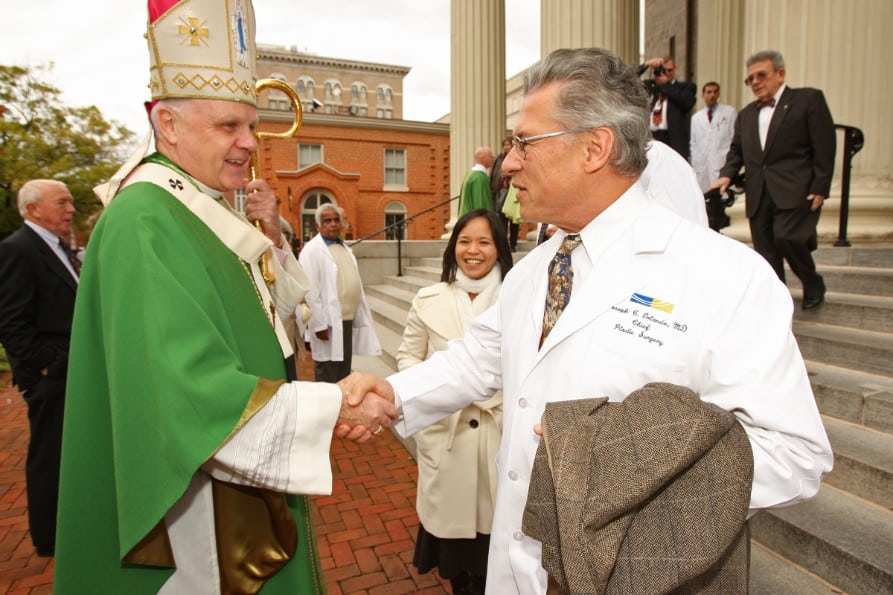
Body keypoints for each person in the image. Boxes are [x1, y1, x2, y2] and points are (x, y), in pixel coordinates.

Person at [341, 47, 833, 594]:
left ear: (595, 148)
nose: (508, 164)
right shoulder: (534, 271)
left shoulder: (727, 276)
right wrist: (393, 394)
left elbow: (795, 454)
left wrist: (613, 457)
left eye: (524, 143)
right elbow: (478, 359)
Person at [53, 0, 396, 592]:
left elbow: (260, 311)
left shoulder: (196, 205)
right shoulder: (144, 219)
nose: (248, 143)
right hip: (196, 514)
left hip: (236, 487)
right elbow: (185, 392)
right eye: (228, 126)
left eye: (251, 126)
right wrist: (332, 406)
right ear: (168, 125)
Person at [397, 209, 513, 595]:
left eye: (484, 242)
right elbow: (408, 356)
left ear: (500, 249)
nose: (473, 250)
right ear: (453, 247)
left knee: (494, 547)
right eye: (464, 241)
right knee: (454, 553)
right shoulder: (428, 299)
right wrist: (431, 394)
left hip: (497, 437)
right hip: (447, 437)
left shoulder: (518, 298)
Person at [713, 50, 836, 310]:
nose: (755, 82)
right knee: (766, 251)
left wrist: (821, 186)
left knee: (787, 238)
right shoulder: (746, 114)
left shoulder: (808, 100)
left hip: (795, 188)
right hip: (759, 191)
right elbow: (737, 152)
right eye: (750, 79)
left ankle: (813, 284)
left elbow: (824, 146)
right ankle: (778, 300)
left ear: (780, 74)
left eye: (761, 75)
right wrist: (726, 175)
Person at [0, 179, 77, 558]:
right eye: (62, 203)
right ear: (33, 209)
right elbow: (11, 320)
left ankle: (70, 523)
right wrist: (46, 366)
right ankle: (49, 536)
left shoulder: (59, 248)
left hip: (69, 372)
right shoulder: (18, 250)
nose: (71, 209)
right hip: (52, 376)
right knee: (48, 456)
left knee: (66, 451)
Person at [299, 203, 380, 382]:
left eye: (336, 220)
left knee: (343, 371)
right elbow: (310, 291)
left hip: (346, 319)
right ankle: (328, 401)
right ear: (318, 226)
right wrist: (318, 325)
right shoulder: (312, 251)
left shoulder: (344, 248)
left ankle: (342, 400)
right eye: (327, 221)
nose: (333, 224)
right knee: (328, 371)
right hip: (328, 322)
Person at [638, 56, 697, 160]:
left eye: (669, 70)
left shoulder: (685, 87)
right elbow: (626, 80)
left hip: (673, 142)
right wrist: (646, 64)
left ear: (674, 70)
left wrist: (666, 85)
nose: (666, 73)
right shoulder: (651, 87)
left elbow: (687, 103)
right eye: (663, 70)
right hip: (652, 140)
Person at [690, 82, 737, 193]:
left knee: (722, 195)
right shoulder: (696, 118)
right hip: (702, 165)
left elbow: (734, 138)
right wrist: (696, 161)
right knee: (704, 195)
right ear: (703, 95)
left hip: (721, 162)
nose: (712, 95)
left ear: (718, 94)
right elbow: (693, 143)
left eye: (715, 92)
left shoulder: (729, 113)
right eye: (709, 92)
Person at [459, 146, 496, 215]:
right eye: (491, 156)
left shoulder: (471, 174)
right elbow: (479, 203)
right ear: (482, 158)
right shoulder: (479, 178)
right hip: (475, 218)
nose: (493, 159)